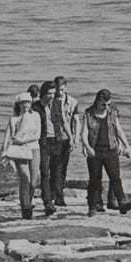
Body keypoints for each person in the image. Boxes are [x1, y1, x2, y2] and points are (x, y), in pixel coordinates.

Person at [81, 89, 131, 217]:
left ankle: (122, 202)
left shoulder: (112, 113)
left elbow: (119, 130)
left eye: (108, 104)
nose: (106, 107)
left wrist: (126, 145)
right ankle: (92, 206)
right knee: (95, 179)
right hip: (95, 150)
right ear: (98, 101)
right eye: (103, 104)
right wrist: (87, 147)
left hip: (111, 149)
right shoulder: (89, 113)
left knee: (115, 177)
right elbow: (84, 133)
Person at [0, 93, 42, 220]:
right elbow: (8, 135)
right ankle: (26, 208)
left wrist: (24, 140)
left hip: (33, 148)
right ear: (18, 104)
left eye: (28, 103)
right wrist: (4, 150)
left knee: (34, 181)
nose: (25, 105)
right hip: (19, 150)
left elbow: (37, 135)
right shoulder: (14, 118)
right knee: (25, 178)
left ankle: (28, 201)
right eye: (23, 103)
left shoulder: (35, 116)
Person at [50, 76, 79, 206]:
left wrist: (76, 137)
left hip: (66, 138)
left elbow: (76, 120)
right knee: (53, 167)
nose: (59, 93)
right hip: (52, 137)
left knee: (62, 167)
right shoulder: (50, 100)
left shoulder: (72, 101)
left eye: (61, 90)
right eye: (57, 90)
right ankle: (55, 194)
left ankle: (58, 194)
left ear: (66, 87)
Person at [34, 82, 61, 216]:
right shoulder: (36, 107)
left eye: (53, 93)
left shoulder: (56, 105)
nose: (51, 96)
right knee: (45, 172)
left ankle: (53, 197)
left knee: (56, 172)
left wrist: (70, 137)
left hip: (56, 141)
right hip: (42, 142)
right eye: (49, 93)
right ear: (43, 94)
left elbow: (62, 122)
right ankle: (47, 203)